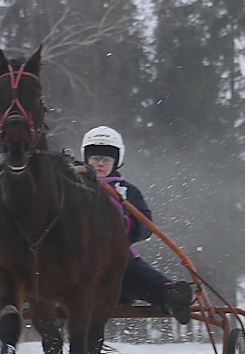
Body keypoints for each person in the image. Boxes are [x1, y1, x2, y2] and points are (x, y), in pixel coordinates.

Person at [80, 125, 192, 324]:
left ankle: (170, 298)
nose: (99, 164)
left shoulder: (126, 191)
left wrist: (122, 225)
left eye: (106, 159)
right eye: (95, 158)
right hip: (77, 261)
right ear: (86, 159)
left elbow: (145, 224)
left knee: (141, 274)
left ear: (116, 162)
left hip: (117, 260)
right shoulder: (72, 185)